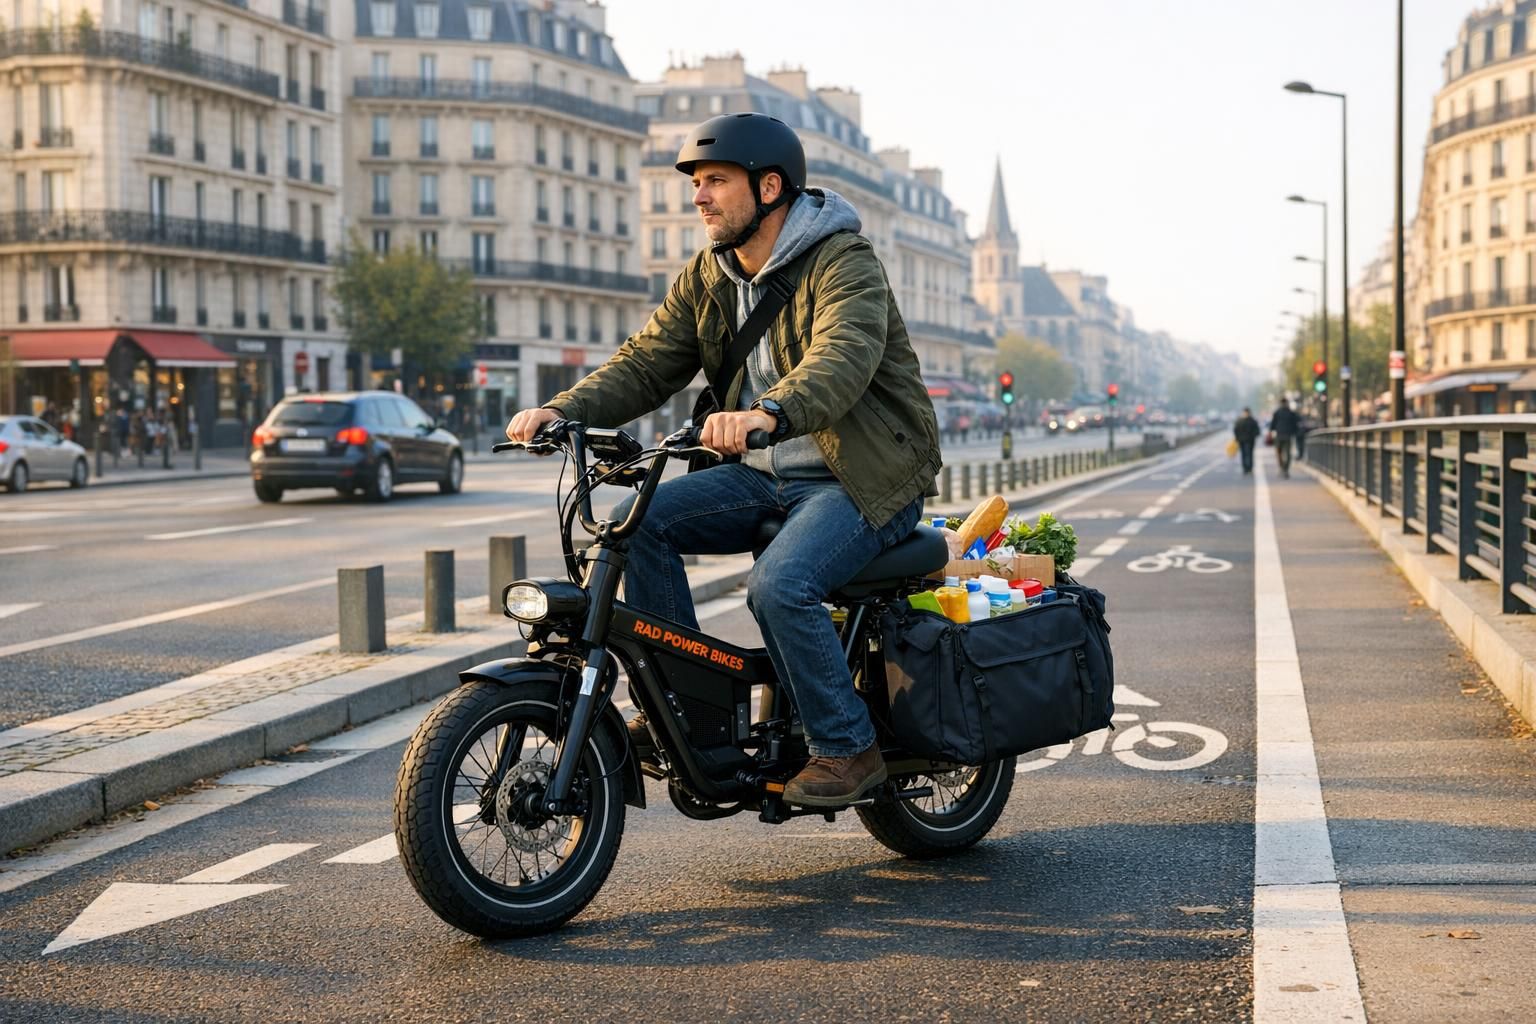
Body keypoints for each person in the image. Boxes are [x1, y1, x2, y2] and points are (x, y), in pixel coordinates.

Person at [505, 113, 941, 808]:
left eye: (715, 181)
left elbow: (843, 355)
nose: (698, 197)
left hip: (859, 477)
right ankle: (693, 714)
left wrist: (770, 412)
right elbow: (646, 363)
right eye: (696, 183)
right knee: (634, 524)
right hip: (764, 479)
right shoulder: (709, 275)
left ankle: (846, 747)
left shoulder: (843, 261)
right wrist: (565, 411)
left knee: (780, 585)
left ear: (770, 188)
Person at [1269, 398, 1300, 478]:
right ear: (1286, 403)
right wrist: (1294, 433)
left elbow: (1272, 425)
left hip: (1279, 435)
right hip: (1288, 435)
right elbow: (1296, 424)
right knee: (1288, 453)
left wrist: (1271, 431)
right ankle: (1285, 469)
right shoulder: (1291, 413)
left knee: (1279, 452)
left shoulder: (1277, 412)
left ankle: (1282, 467)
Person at [1232, 407, 1260, 475]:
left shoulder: (1239, 421)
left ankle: (1246, 468)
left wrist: (1237, 438)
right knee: (1248, 454)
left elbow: (1235, 430)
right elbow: (1257, 431)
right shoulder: (1252, 420)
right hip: (1249, 440)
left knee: (1245, 454)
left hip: (1244, 440)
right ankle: (1248, 468)